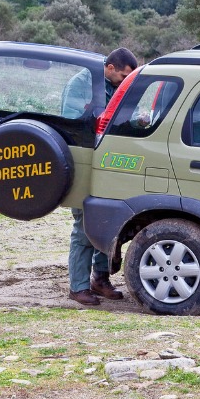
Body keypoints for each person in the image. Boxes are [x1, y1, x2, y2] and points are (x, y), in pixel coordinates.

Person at [61, 47, 138, 306]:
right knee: (83, 227)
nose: (124, 80)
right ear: (110, 68)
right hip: (83, 160)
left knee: (106, 222)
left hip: (106, 162)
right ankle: (78, 287)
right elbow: (74, 121)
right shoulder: (81, 84)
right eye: (122, 76)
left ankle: (100, 279)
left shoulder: (116, 85)